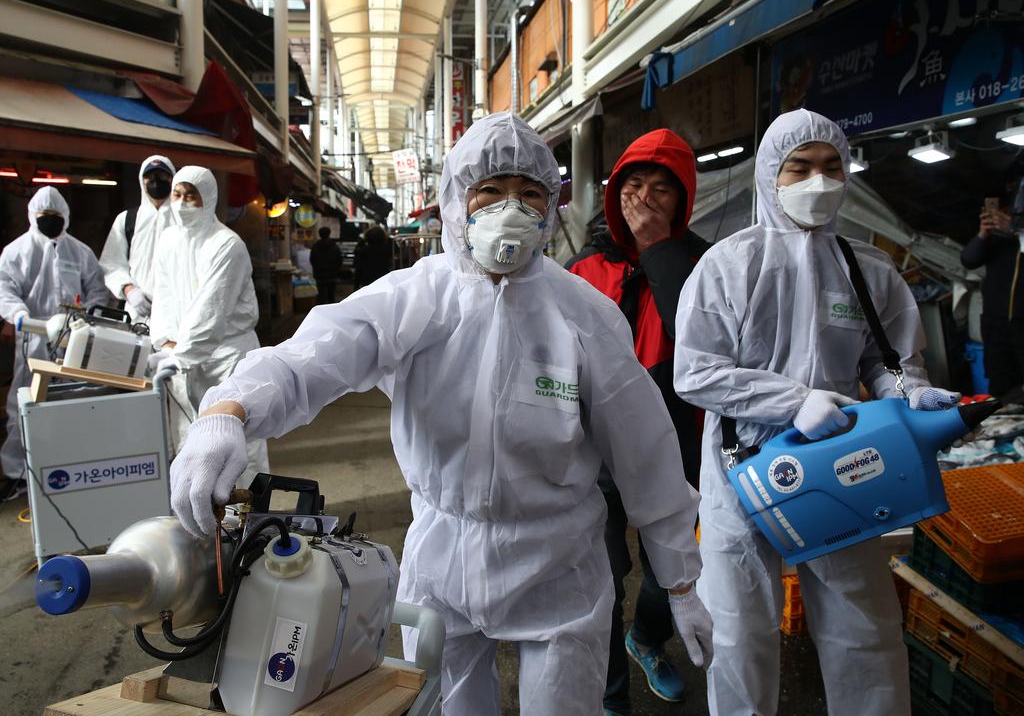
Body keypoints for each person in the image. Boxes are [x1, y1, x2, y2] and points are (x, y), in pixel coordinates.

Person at [166, 112, 713, 716]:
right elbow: (313, 355)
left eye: (530, 193)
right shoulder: (417, 297)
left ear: (552, 206)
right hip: (442, 556)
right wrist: (228, 411)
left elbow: (645, 449)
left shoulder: (583, 314)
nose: (512, 209)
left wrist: (682, 578)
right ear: (457, 201)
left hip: (558, 561)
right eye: (491, 191)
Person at [674, 109, 961, 716]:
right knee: (740, 635)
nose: (819, 182)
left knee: (866, 630)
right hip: (741, 470)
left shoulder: (867, 268)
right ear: (770, 176)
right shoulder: (728, 265)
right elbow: (694, 372)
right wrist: (792, 401)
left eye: (833, 168)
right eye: (799, 168)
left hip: (842, 464)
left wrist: (908, 395)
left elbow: (885, 362)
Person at [566, 129, 709, 715]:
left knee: (671, 569)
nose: (645, 199)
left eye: (661, 190)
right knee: (599, 578)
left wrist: (657, 249)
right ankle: (611, 697)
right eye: (633, 185)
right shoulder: (583, 270)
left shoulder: (703, 265)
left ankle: (647, 637)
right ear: (612, 194)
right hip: (593, 457)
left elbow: (698, 340)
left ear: (682, 201)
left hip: (676, 447)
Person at [148, 166, 268, 486]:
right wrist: (165, 340)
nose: (184, 203)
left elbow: (211, 309)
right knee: (192, 440)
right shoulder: (169, 240)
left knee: (237, 442)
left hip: (227, 357)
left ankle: (244, 522)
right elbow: (164, 297)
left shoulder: (226, 245)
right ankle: (202, 519)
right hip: (185, 358)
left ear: (209, 198)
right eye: (178, 195)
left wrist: (181, 353)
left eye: (192, 196)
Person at [0, 187, 108, 499]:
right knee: (25, 404)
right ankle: (18, 472)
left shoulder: (80, 252)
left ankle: (71, 466)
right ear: (33, 217)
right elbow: (6, 290)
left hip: (74, 340)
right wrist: (18, 315)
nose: (50, 221)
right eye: (44, 217)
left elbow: (97, 291)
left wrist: (87, 318)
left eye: (56, 216)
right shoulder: (16, 252)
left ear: (66, 217)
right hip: (33, 340)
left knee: (75, 400)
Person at [960, 192, 1024, 401]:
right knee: (1001, 387)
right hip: (996, 326)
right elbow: (969, 260)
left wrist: (1015, 231)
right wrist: (983, 234)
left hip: (1022, 324)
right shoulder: (997, 240)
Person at [99, 155, 176, 323]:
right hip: (136, 314)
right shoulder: (127, 220)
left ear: (172, 179)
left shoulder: (183, 219)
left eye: (162, 176)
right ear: (142, 181)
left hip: (175, 314)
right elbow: (111, 264)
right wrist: (129, 290)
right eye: (150, 176)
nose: (156, 181)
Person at [309, 226, 344, 304]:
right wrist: (336, 270)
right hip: (332, 275)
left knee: (321, 296)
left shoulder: (315, 247)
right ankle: (331, 311)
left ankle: (321, 311)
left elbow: (312, 260)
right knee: (331, 295)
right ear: (329, 234)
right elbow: (339, 260)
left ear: (319, 234)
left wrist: (317, 268)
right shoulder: (334, 247)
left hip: (319, 275)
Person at [353, 224, 392, 289]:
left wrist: (356, 286)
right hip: (382, 278)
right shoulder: (387, 249)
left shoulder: (363, 250)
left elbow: (358, 267)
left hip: (367, 278)